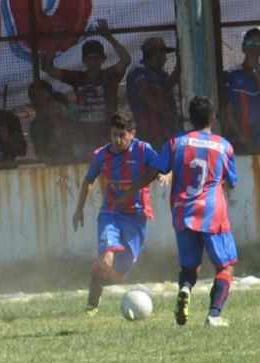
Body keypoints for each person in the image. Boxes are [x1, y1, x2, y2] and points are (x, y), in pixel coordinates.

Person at [118, 96, 238, 327]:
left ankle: (185, 289)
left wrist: (130, 190)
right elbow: (230, 181)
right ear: (212, 118)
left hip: (184, 211)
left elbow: (155, 171)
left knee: (189, 266)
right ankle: (214, 315)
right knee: (225, 266)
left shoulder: (176, 142)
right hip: (213, 213)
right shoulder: (224, 146)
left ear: (189, 118)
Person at [72, 110, 158, 316]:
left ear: (132, 133)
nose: (117, 140)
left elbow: (162, 166)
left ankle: (99, 280)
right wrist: (79, 209)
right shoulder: (101, 155)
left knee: (119, 274)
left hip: (137, 216)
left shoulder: (143, 150)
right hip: (111, 212)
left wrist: (167, 175)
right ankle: (92, 305)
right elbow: (89, 180)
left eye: (122, 135)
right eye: (114, 135)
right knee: (105, 260)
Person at [42, 19, 131, 157]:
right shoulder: (78, 78)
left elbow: (126, 60)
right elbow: (47, 67)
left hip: (109, 133)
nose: (93, 62)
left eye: (96, 58)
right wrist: (56, 40)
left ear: (102, 59)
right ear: (84, 61)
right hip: (85, 136)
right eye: (89, 58)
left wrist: (108, 36)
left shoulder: (109, 75)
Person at [126, 36, 180, 151]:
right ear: (154, 53)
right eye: (163, 53)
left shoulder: (159, 73)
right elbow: (149, 98)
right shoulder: (139, 70)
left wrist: (180, 63)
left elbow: (169, 83)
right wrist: (172, 115)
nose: (165, 58)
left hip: (164, 133)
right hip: (148, 134)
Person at [222, 27, 260, 153]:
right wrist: (241, 137)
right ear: (243, 47)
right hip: (239, 141)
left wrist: (257, 70)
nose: (254, 48)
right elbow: (228, 111)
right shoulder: (232, 74)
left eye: (258, 44)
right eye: (251, 44)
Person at [28, 80, 75, 161]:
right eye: (33, 97)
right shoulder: (35, 125)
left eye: (42, 96)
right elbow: (40, 152)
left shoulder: (71, 111)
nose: (38, 101)